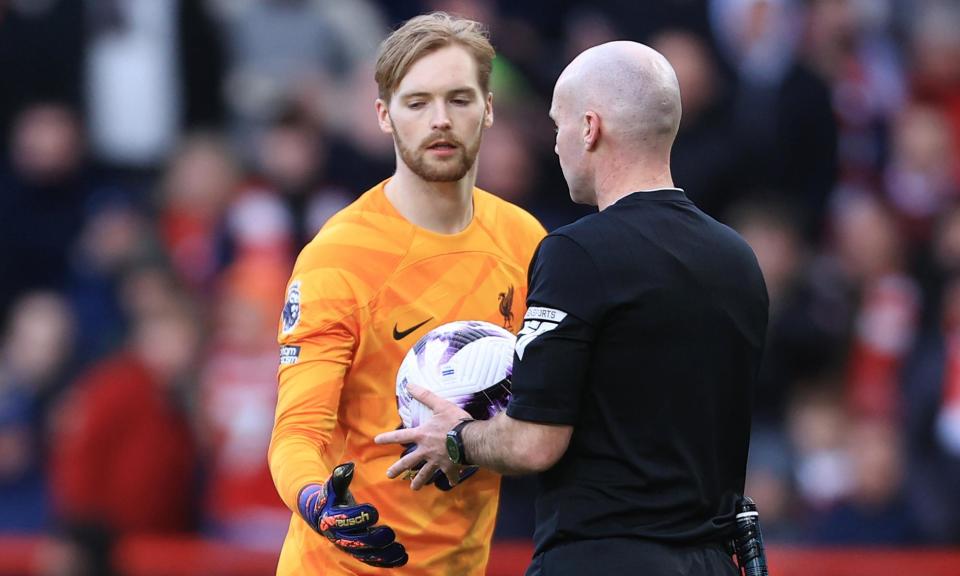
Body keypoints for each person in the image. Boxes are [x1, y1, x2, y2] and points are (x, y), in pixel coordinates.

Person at [376, 41, 770, 575]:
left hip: (603, 557)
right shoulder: (738, 260)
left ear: (590, 128)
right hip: (714, 560)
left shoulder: (578, 253)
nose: (556, 146)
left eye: (559, 125)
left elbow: (534, 441)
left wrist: (454, 438)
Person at [267, 12, 546, 575]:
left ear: (489, 109)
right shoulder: (338, 257)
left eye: (459, 100)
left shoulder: (527, 241)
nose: (440, 121)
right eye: (417, 103)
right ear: (383, 116)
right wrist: (321, 505)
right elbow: (296, 434)